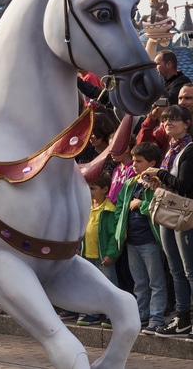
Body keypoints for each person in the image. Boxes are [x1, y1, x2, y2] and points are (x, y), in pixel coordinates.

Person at [141, 104, 193, 338]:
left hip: (186, 216)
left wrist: (158, 173)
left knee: (190, 270)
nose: (168, 123)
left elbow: (184, 186)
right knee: (176, 270)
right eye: (165, 120)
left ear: (187, 123)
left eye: (174, 119)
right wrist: (155, 181)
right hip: (169, 214)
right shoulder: (170, 150)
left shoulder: (189, 150)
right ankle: (182, 319)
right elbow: (171, 183)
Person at [113, 142, 168, 334]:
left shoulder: (157, 183)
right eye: (134, 160)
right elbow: (120, 207)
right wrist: (120, 229)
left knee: (156, 282)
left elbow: (161, 208)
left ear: (152, 162)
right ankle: (141, 315)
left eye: (139, 161)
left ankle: (156, 318)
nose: (134, 165)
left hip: (150, 242)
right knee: (139, 282)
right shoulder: (130, 183)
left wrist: (141, 204)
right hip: (132, 242)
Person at [76, 172, 120, 327]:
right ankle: (91, 313)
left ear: (105, 189)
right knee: (90, 285)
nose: (89, 192)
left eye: (92, 188)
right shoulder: (86, 206)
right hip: (87, 255)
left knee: (108, 286)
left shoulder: (109, 209)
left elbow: (114, 235)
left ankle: (112, 314)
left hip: (103, 257)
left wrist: (110, 254)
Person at [137, 83, 193, 151]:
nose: (182, 102)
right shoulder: (169, 125)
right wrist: (151, 120)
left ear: (187, 124)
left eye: (187, 98)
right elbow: (143, 150)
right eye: (180, 98)